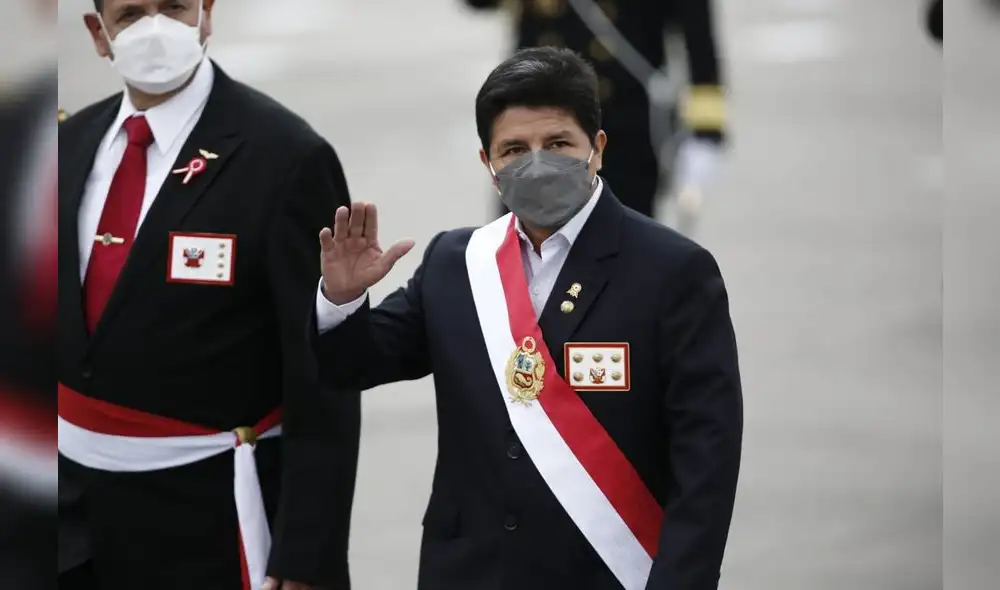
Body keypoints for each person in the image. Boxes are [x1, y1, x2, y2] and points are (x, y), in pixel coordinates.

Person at [313, 47, 743, 590]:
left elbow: (707, 462)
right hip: (471, 573)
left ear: (598, 149)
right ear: (488, 166)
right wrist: (342, 297)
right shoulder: (457, 263)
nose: (537, 162)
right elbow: (350, 366)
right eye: (514, 149)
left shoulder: (672, 271)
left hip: (609, 570)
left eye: (558, 144)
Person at [57, 1, 360, 589]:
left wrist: (306, 556)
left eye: (173, 6)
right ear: (99, 35)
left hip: (208, 518)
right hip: (72, 520)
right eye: (130, 14)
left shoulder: (284, 156)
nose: (155, 28)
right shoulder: (71, 144)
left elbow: (320, 376)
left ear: (207, 14)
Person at [462, 0, 728, 226]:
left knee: (622, 258)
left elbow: (697, 35)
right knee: (520, 258)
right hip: (532, 123)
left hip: (622, 132)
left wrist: (705, 132)